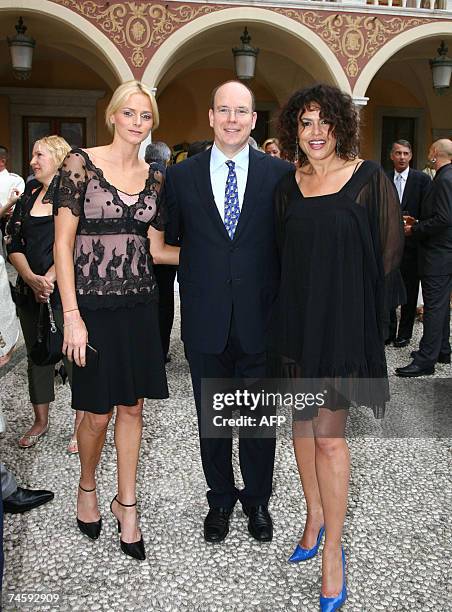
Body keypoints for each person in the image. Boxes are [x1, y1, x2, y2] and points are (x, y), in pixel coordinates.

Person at [271, 84, 404, 611]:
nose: (316, 132)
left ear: (341, 126)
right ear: (294, 132)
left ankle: (335, 552)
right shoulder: (289, 184)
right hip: (297, 326)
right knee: (300, 426)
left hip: (344, 327)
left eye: (324, 122)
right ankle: (313, 514)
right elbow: (283, 258)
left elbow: (390, 259)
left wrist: (364, 324)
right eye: (305, 123)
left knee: (328, 437)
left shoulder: (370, 179)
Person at [53, 80, 178, 561]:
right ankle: (87, 485)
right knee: (97, 413)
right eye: (129, 113)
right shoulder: (80, 164)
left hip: (139, 306)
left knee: (132, 409)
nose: (137, 122)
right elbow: (64, 245)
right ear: (112, 116)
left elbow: (156, 248)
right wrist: (71, 316)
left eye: (145, 116)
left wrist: (223, 257)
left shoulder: (156, 176)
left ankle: (127, 504)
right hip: (90, 308)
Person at [164, 80, 292, 544]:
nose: (233, 119)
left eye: (242, 111)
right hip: (206, 320)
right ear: (212, 117)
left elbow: (288, 245)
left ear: (254, 120)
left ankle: (257, 500)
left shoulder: (280, 175)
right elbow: (172, 241)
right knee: (212, 422)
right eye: (224, 110)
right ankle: (219, 499)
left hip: (262, 321)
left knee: (259, 423)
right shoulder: (181, 177)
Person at [5, 136, 81, 451]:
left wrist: (49, 278)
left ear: (59, 158)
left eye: (40, 155)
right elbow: (13, 241)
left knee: (75, 357)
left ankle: (81, 425)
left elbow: (79, 243)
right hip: (29, 292)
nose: (33, 161)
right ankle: (41, 420)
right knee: (38, 357)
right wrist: (30, 278)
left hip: (66, 293)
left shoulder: (73, 196)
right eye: (33, 154)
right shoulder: (27, 197)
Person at [1, 250, 53, 589]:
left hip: (56, 285)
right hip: (30, 285)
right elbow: (13, 239)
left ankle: (3, 486)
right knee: (40, 354)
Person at [396, 138, 452, 377]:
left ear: (434, 153)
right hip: (442, 252)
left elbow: (443, 219)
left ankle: (426, 359)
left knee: (434, 307)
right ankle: (442, 349)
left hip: (437, 254)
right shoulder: (446, 177)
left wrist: (414, 229)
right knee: (440, 305)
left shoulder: (444, 179)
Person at [386, 140, 431, 347]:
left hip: (412, 246)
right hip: (387, 246)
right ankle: (387, 331)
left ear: (411, 155)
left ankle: (404, 334)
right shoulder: (383, 178)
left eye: (405, 153)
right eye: (398, 153)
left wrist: (416, 225)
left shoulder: (422, 180)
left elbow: (429, 211)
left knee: (410, 291)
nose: (402, 157)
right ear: (391, 156)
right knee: (387, 289)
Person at [145, 141, 176, 363]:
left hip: (140, 249)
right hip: (167, 246)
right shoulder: (172, 177)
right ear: (168, 158)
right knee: (164, 300)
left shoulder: (137, 174)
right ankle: (160, 350)